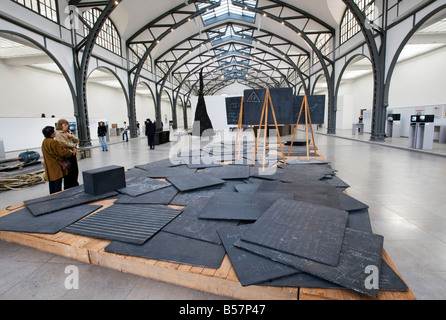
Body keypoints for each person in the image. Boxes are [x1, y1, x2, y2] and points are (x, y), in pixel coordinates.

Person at [41, 126, 76, 194]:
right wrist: (70, 153)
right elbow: (62, 152)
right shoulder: (53, 142)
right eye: (54, 132)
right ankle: (58, 199)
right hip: (56, 166)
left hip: (49, 167)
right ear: (51, 134)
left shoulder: (44, 142)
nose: (55, 133)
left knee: (52, 185)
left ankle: (52, 198)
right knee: (57, 185)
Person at [55, 119, 80, 190]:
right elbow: (63, 143)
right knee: (68, 173)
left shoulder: (68, 132)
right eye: (65, 125)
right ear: (60, 126)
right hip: (67, 155)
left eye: (67, 125)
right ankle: (68, 187)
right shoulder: (59, 134)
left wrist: (71, 136)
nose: (67, 127)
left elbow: (77, 140)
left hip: (73, 154)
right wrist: (73, 145)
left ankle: (75, 184)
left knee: (75, 171)